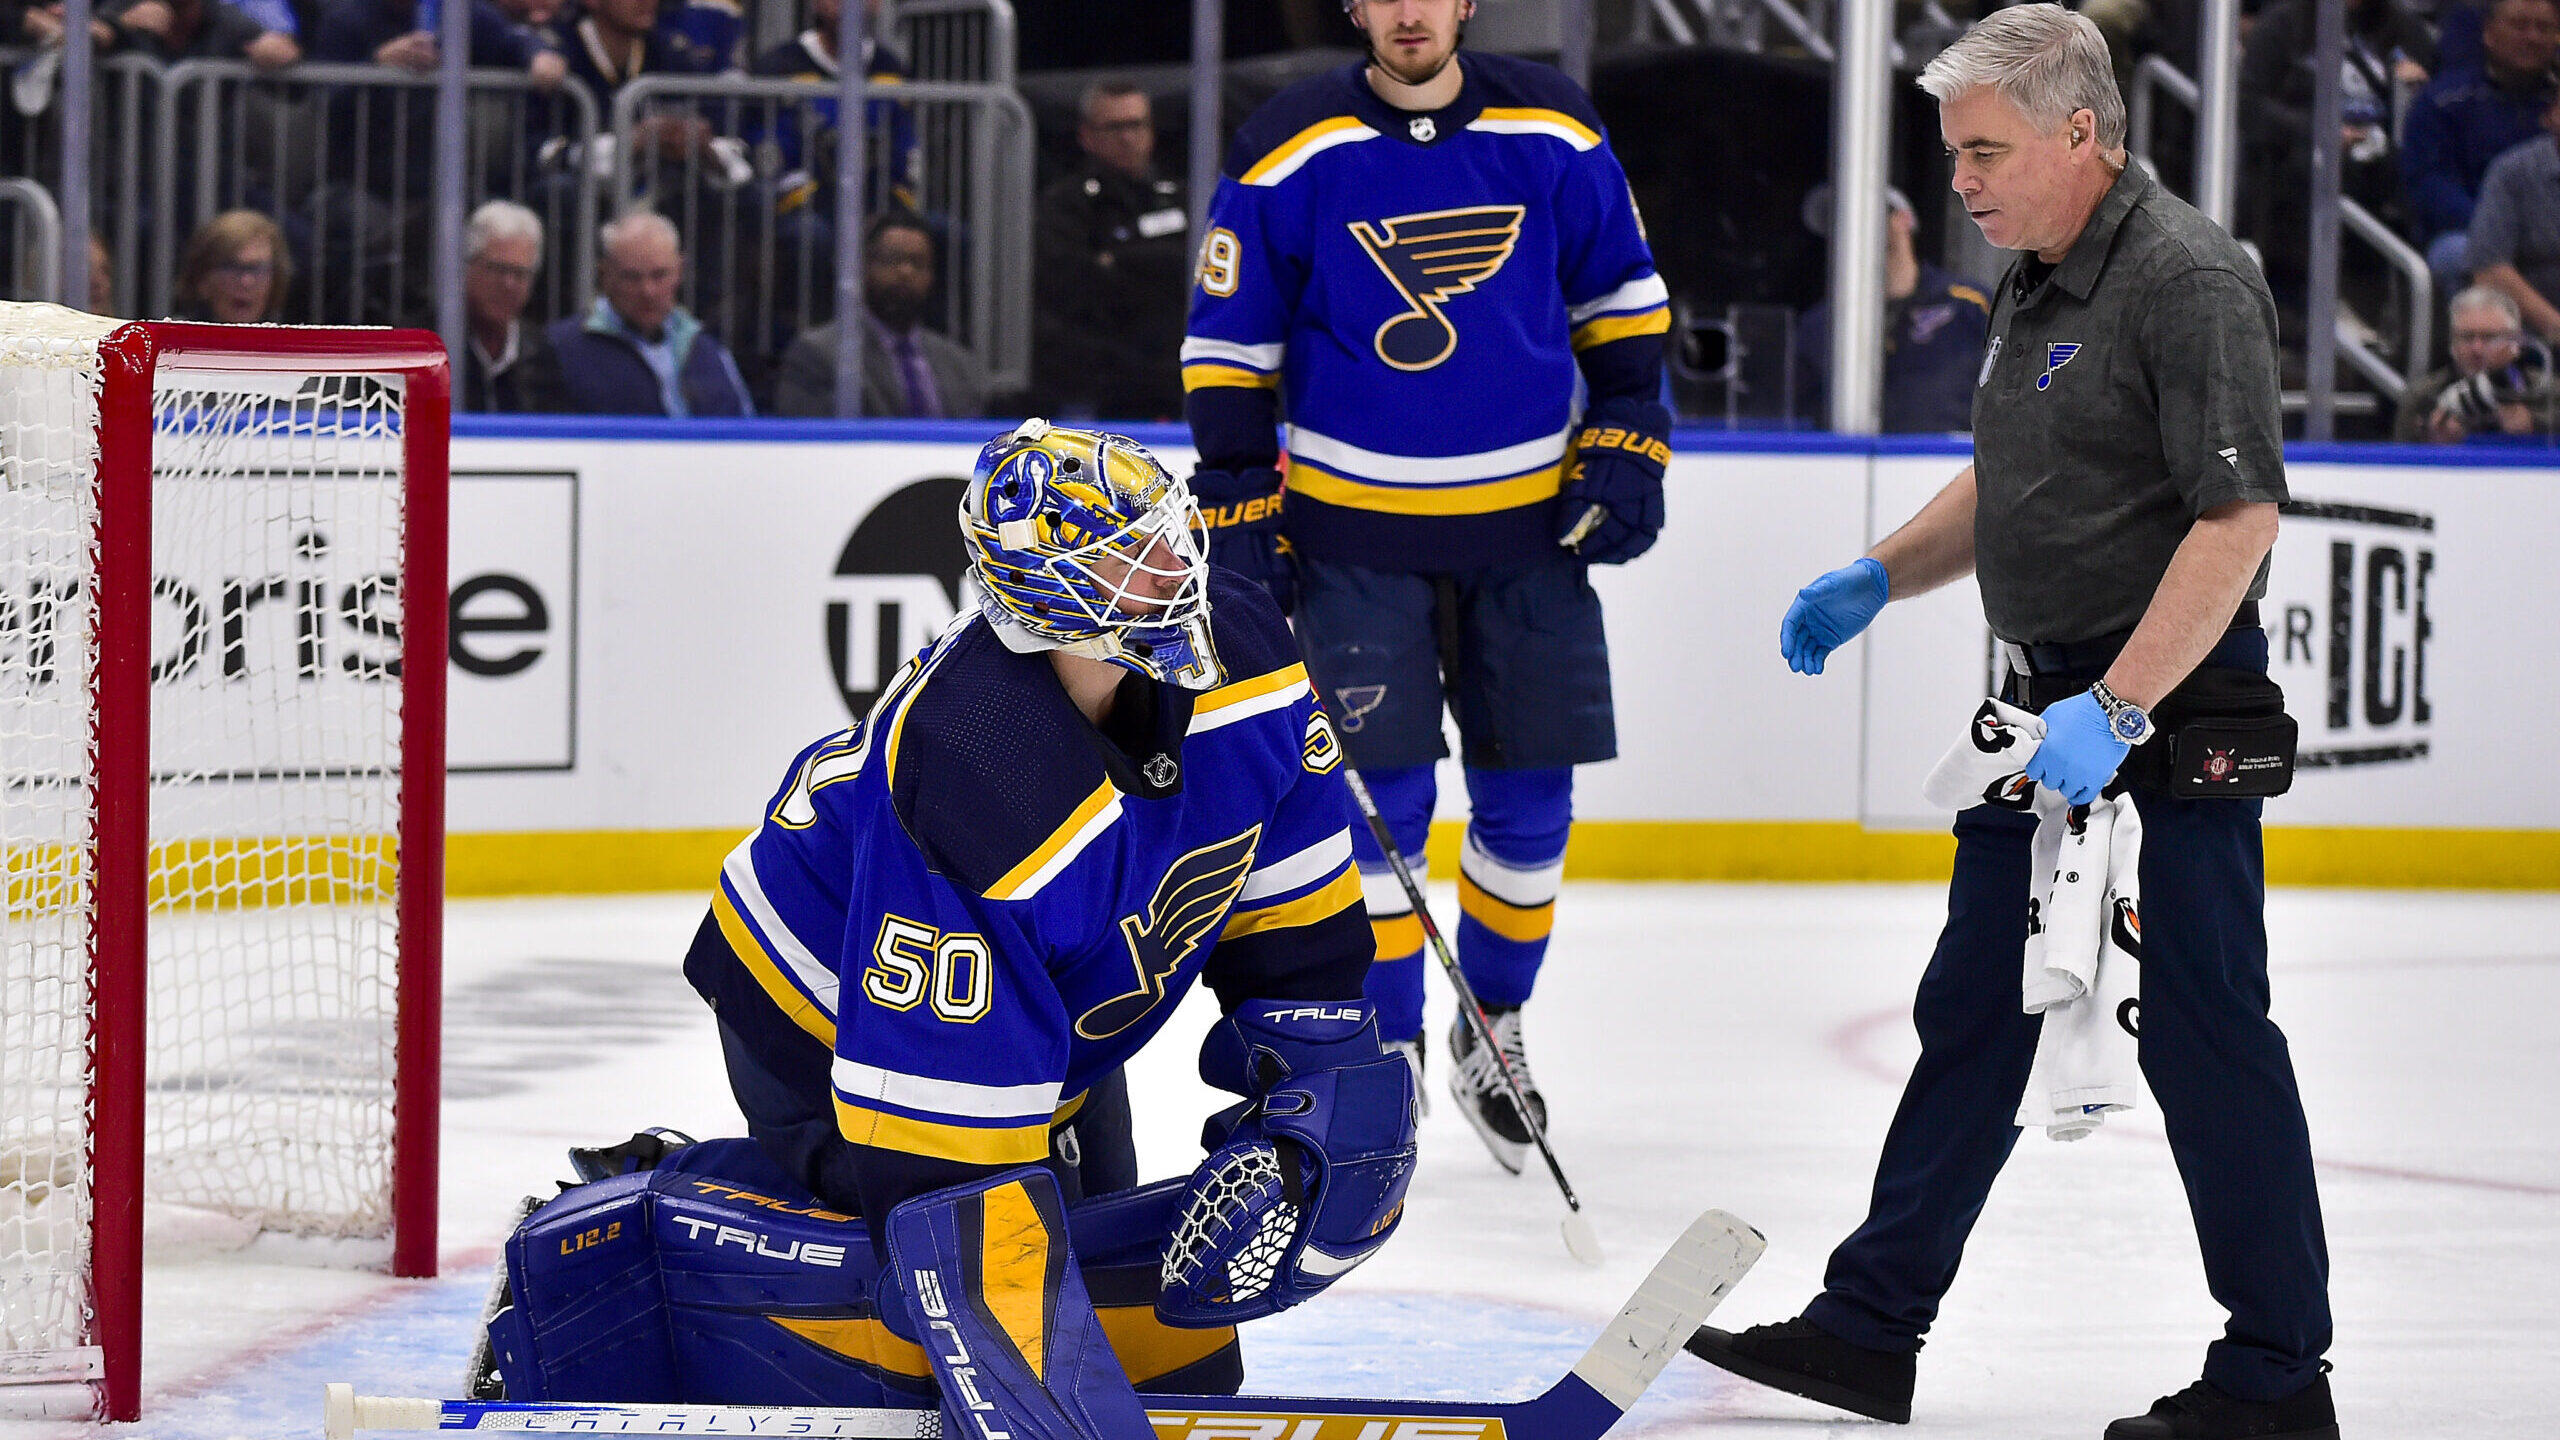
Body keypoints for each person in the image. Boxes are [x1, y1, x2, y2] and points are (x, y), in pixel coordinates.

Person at [1688, 10, 2336, 1440]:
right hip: (2043, 712)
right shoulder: (2033, 279)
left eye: (1984, 150)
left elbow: (2237, 518)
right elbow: (2013, 476)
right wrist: (1879, 574)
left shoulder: (2187, 278)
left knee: (2205, 1029)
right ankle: (1869, 1331)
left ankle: (2279, 1378)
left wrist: (2120, 705)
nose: (1960, 181)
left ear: (2080, 133)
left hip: (2164, 707)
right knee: (1974, 1011)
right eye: (1954, 152)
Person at [493, 422, 1414, 1427]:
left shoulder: (1245, 649)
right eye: (1130, 551)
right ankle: (630, 1214)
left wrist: (1319, 1092)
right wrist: (1003, 1331)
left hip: (1053, 1012)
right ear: (1047, 592)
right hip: (823, 1005)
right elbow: (946, 1179)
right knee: (930, 1301)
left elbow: (1297, 930)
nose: (1174, 565)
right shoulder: (977, 766)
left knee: (1151, 1344)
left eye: (1167, 534)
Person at [1182, 0, 1671, 1172]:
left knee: (1530, 812)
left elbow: (1621, 296)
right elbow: (1228, 343)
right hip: (1349, 542)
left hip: (1529, 539)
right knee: (1376, 818)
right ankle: (1389, 1045)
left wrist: (1630, 431)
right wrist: (1238, 495)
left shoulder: (1552, 127)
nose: (1409, 11)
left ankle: (1490, 1023)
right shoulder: (1287, 144)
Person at [1032, 81, 1191, 420]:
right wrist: (1154, 265)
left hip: (1174, 377)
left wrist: (1118, 260)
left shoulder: (1181, 197)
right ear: (1087, 135)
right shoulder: (1065, 204)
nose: (1128, 138)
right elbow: (1073, 281)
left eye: (1137, 125)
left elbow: (1193, 266)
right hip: (1096, 383)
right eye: (1115, 127)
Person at [1793, 184, 1993, 433]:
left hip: (1955, 455)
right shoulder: (1819, 324)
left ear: (1904, 220)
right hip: (1852, 456)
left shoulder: (1969, 304)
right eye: (1841, 222)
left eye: (1868, 215)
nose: (1855, 229)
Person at [2401, 0, 2560, 299]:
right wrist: (2496, 226)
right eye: (2520, 26)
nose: (2533, 37)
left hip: (2548, 234)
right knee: (2457, 254)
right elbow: (2428, 184)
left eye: (2544, 28)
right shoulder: (2442, 102)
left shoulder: (2556, 104)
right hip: (2466, 230)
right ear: (2489, 32)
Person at [772, 210, 988, 418]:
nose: (906, 272)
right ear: (862, 268)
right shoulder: (818, 355)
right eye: (891, 260)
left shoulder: (959, 363)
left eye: (918, 263)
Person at [543, 210, 753, 416]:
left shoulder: (708, 349)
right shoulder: (560, 350)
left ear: (679, 271)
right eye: (632, 277)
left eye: (660, 275)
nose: (648, 291)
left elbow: (745, 428)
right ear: (605, 276)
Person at [2393, 283, 2560, 439]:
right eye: (2466, 337)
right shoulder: (2421, 397)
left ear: (2516, 341)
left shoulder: (2549, 393)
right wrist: (2436, 445)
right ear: (2452, 342)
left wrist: (2535, 425)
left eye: (2489, 337)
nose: (2477, 349)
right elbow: (2400, 456)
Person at [2465, 88, 2560, 343]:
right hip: (2535, 337)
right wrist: (2556, 328)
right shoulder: (2513, 172)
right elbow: (2489, 269)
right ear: (2551, 114)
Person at [460, 201, 562, 413]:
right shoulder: (425, 346)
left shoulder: (543, 355)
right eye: (497, 269)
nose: (508, 284)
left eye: (520, 273)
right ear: (467, 267)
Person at [172, 209, 291, 323]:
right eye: (232, 267)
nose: (246, 282)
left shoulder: (288, 336)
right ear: (202, 277)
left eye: (257, 269)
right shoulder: (172, 335)